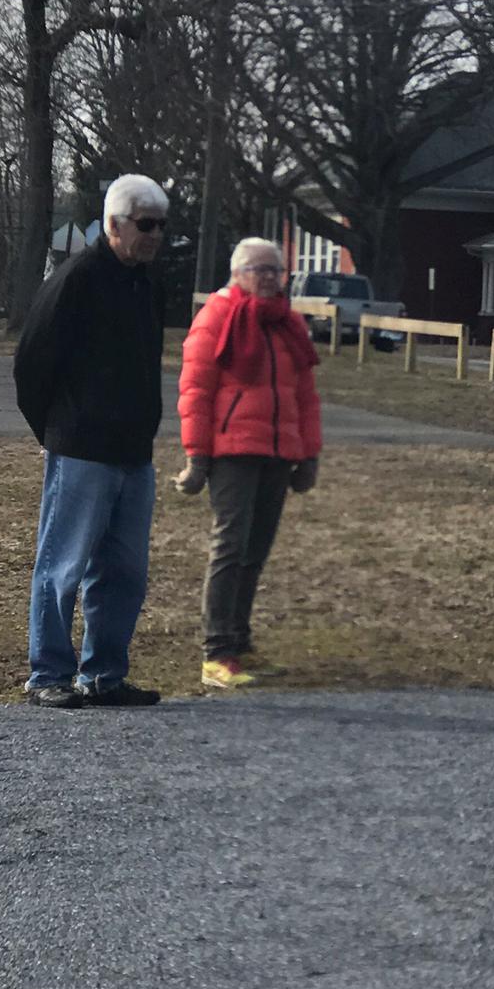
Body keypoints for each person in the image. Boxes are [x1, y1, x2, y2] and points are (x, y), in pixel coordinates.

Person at [14, 174, 170, 709]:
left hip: (133, 453)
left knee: (124, 572)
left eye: (161, 226)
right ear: (114, 223)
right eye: (145, 224)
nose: (155, 236)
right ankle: (48, 674)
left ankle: (103, 673)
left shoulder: (148, 283)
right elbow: (32, 361)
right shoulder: (76, 278)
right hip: (81, 447)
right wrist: (54, 433)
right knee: (62, 565)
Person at [176, 237, 322, 690]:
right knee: (230, 549)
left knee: (255, 553)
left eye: (276, 271)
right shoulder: (217, 318)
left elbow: (305, 397)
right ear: (237, 274)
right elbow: (195, 394)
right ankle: (216, 653)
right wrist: (197, 458)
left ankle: (239, 643)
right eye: (260, 270)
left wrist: (308, 454)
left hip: (277, 454)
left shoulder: (289, 324)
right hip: (232, 454)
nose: (269, 278)